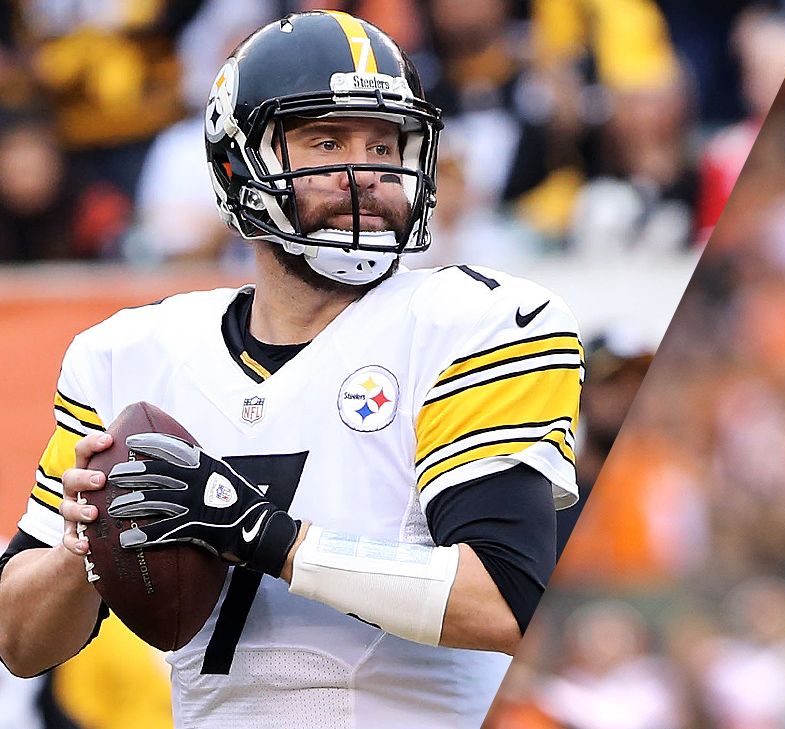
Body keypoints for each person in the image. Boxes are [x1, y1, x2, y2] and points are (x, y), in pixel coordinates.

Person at [0, 11, 582, 729]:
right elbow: (19, 642)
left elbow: (503, 601)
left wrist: (256, 531)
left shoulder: (477, 324)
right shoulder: (127, 355)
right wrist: (84, 549)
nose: (365, 173)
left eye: (384, 143)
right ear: (236, 165)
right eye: (327, 141)